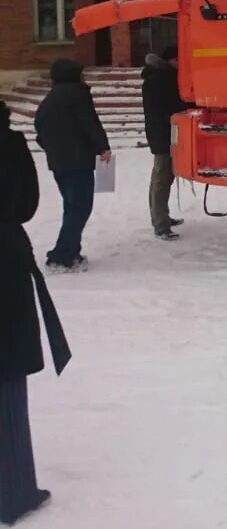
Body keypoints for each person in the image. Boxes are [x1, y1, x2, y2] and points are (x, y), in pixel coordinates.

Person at [0, 101, 70, 525]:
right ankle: (12, 490)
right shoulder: (9, 143)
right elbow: (26, 204)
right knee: (6, 380)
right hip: (4, 261)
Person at [33, 59, 110, 271]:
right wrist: (103, 147)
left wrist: (53, 147)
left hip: (59, 162)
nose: (83, 77)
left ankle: (72, 251)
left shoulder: (50, 98)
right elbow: (89, 122)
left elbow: (39, 127)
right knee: (80, 207)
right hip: (78, 161)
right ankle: (61, 256)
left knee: (71, 206)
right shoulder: (78, 93)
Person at [141, 46, 187, 240]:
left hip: (163, 133)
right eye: (178, 60)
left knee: (162, 177)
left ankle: (162, 218)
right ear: (170, 60)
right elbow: (164, 108)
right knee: (162, 178)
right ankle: (160, 224)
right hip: (163, 135)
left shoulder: (159, 77)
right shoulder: (159, 79)